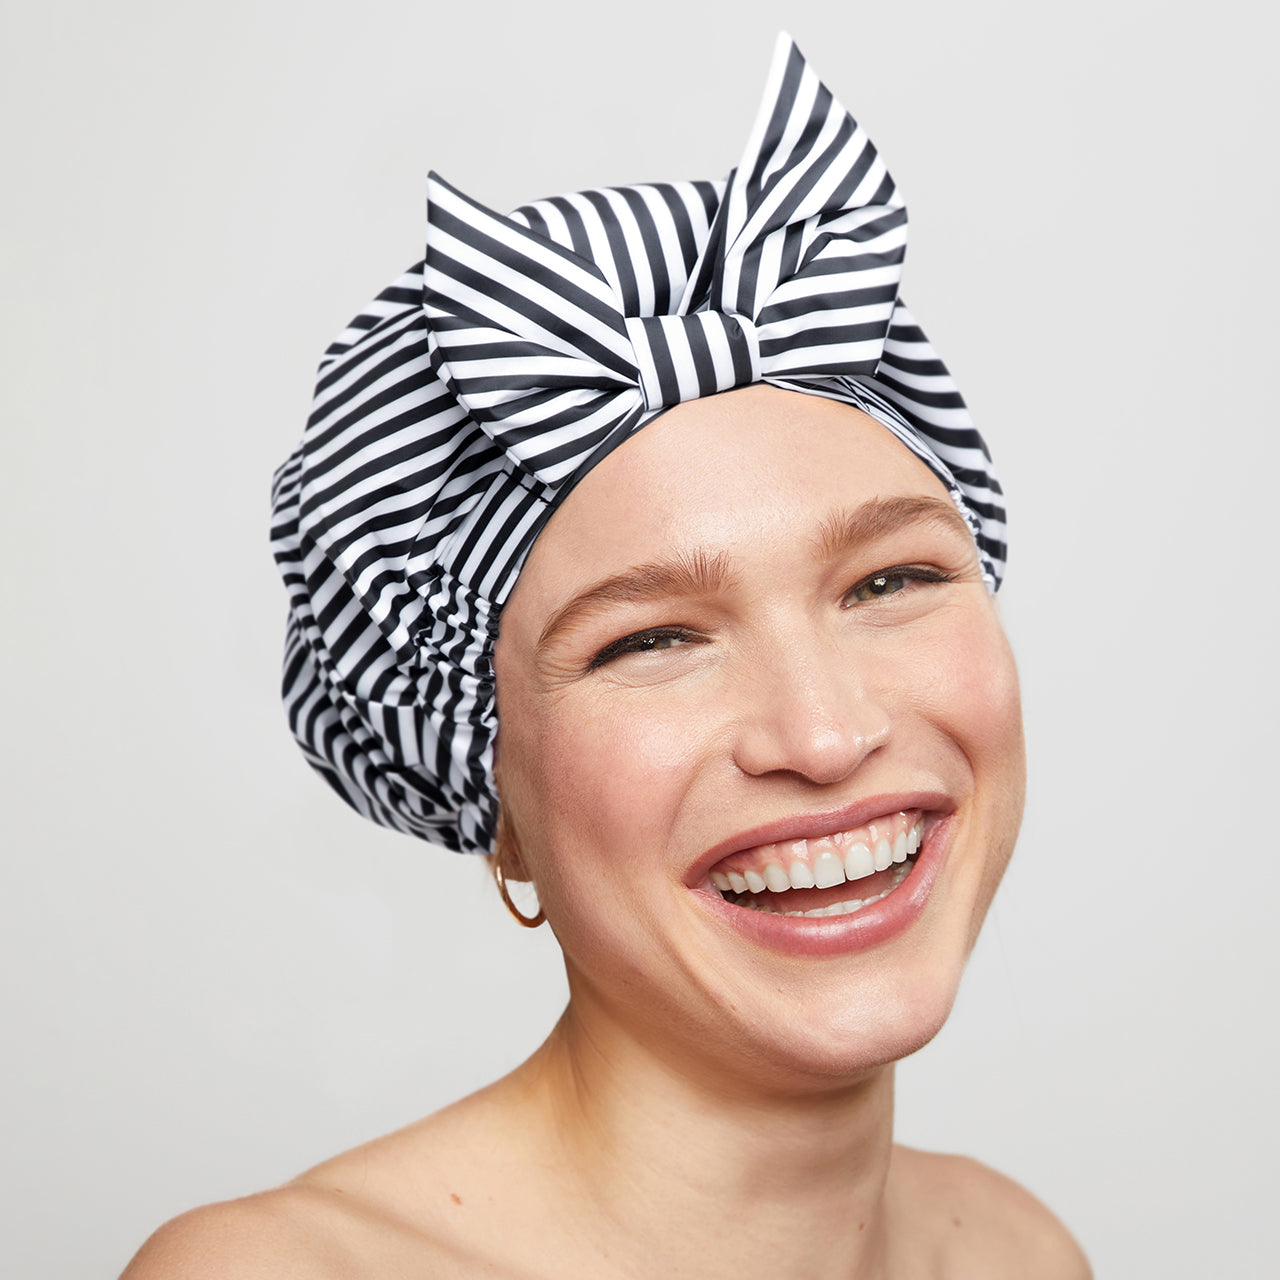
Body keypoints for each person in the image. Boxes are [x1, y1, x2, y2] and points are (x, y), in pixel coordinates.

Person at [122, 34, 1090, 1278]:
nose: (823, 733)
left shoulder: (1017, 1249)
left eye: (888, 580)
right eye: (651, 638)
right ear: (496, 803)